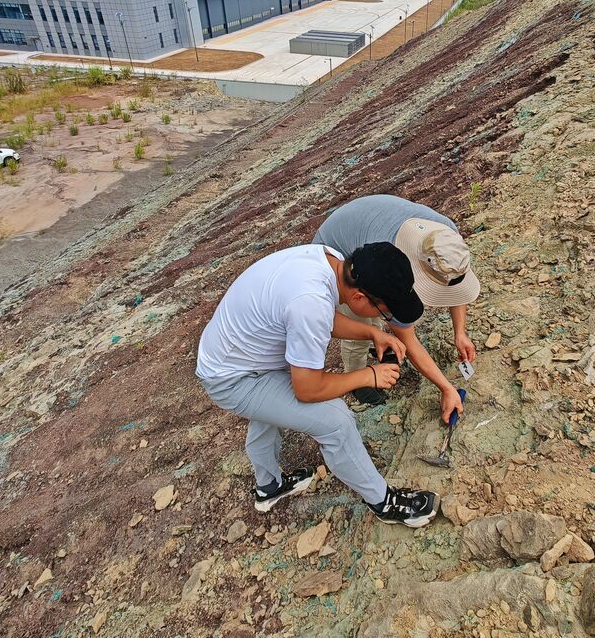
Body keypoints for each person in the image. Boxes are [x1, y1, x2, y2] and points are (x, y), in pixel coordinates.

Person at [196, 239, 440, 528]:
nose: (384, 318)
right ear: (360, 297)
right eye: (385, 312)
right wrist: (368, 376)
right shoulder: (309, 302)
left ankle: (269, 488)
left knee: (270, 409)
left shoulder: (330, 260)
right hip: (232, 378)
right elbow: (308, 389)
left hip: (236, 354)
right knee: (335, 420)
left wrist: (371, 334)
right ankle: (384, 503)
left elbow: (324, 317)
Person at [313, 194, 481, 423]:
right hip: (337, 249)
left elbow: (454, 285)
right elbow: (408, 339)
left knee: (378, 320)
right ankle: (359, 381)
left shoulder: (446, 238)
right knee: (361, 324)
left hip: (363, 220)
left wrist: (459, 332)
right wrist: (446, 388)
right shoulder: (391, 267)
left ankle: (378, 342)